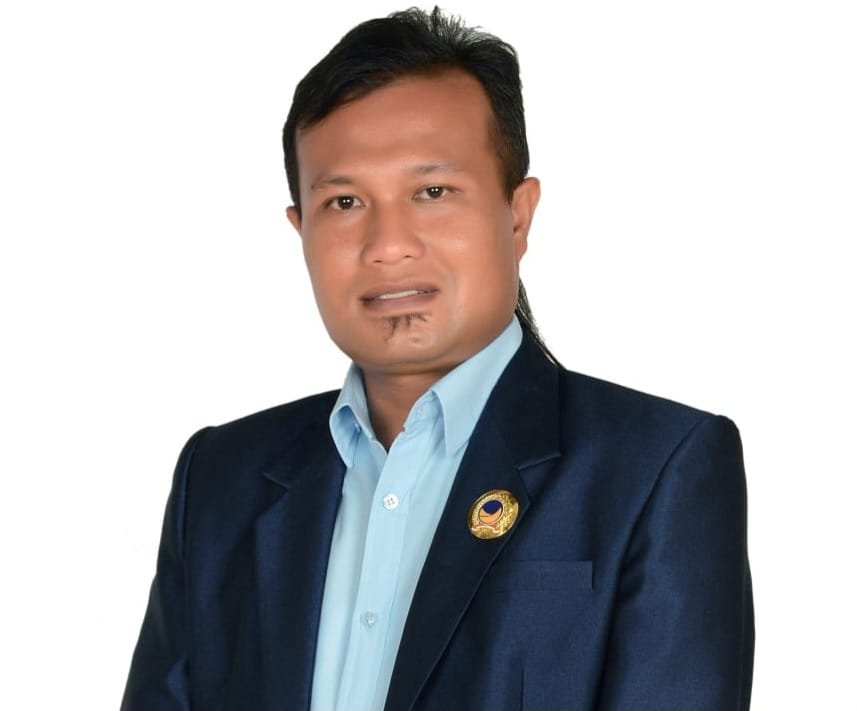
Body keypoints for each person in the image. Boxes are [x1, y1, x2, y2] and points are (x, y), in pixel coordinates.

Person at [121, 7, 753, 710]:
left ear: (517, 214)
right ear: (300, 229)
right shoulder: (222, 478)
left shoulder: (656, 467)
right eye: (344, 201)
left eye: (432, 192)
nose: (388, 244)